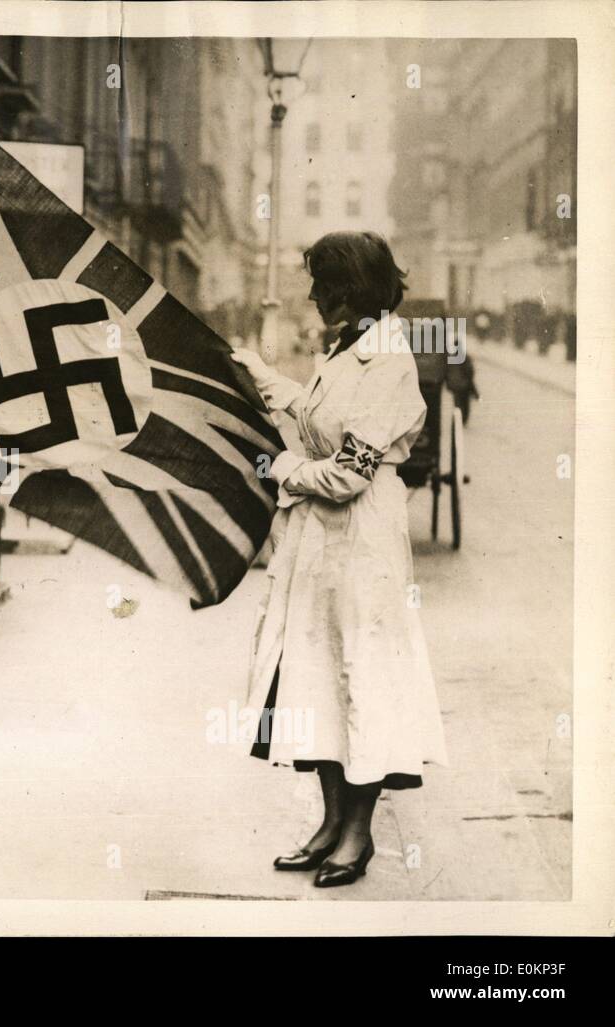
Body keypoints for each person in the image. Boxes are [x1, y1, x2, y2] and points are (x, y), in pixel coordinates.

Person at [231, 231, 447, 888]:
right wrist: (260, 375)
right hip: (321, 541)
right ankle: (330, 823)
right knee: (317, 674)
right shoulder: (348, 348)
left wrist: (281, 467)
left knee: (364, 677)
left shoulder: (389, 361)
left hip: (362, 540)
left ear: (347, 289)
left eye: (321, 285)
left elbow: (350, 471)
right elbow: (318, 413)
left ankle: (358, 834)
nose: (313, 295)